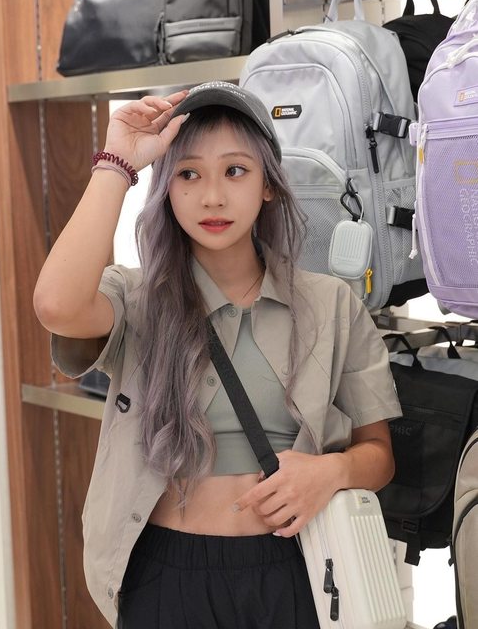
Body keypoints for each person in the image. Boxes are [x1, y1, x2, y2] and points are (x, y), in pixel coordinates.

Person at [33, 80, 402, 629]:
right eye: (188, 174)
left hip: (295, 568)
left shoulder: (330, 304)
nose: (212, 197)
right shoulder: (136, 299)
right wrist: (116, 163)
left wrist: (332, 471)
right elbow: (57, 306)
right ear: (166, 188)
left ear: (268, 185)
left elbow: (380, 456)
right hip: (165, 573)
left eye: (235, 170)